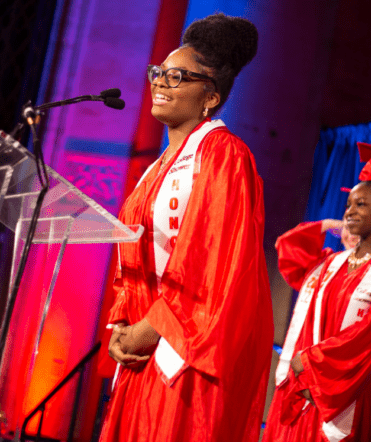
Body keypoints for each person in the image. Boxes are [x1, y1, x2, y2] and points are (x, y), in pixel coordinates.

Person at [98, 14, 273, 442]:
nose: (160, 82)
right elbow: (134, 262)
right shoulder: (156, 168)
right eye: (158, 72)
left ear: (210, 98)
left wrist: (149, 328)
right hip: (143, 349)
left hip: (184, 355)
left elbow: (212, 264)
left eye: (177, 76)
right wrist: (123, 325)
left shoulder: (224, 156)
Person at [263, 143, 371, 442]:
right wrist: (305, 369)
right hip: (307, 388)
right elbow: (288, 249)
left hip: (349, 391)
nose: (349, 211)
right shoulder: (332, 263)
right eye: (349, 204)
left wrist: (311, 362)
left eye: (361, 204)